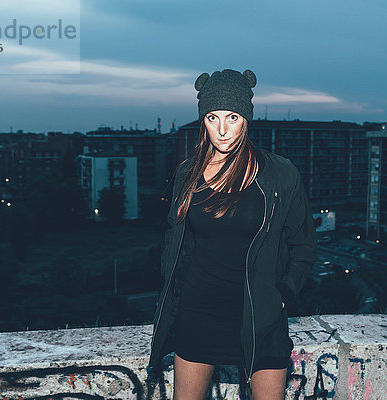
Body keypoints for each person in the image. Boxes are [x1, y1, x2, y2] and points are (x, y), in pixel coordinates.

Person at [148, 68, 317, 400]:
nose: (222, 129)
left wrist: (282, 294)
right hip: (198, 314)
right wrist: (174, 291)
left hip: (260, 316)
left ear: (247, 118)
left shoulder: (279, 174)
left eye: (232, 117)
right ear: (203, 120)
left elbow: (304, 245)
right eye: (213, 117)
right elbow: (174, 239)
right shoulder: (187, 173)